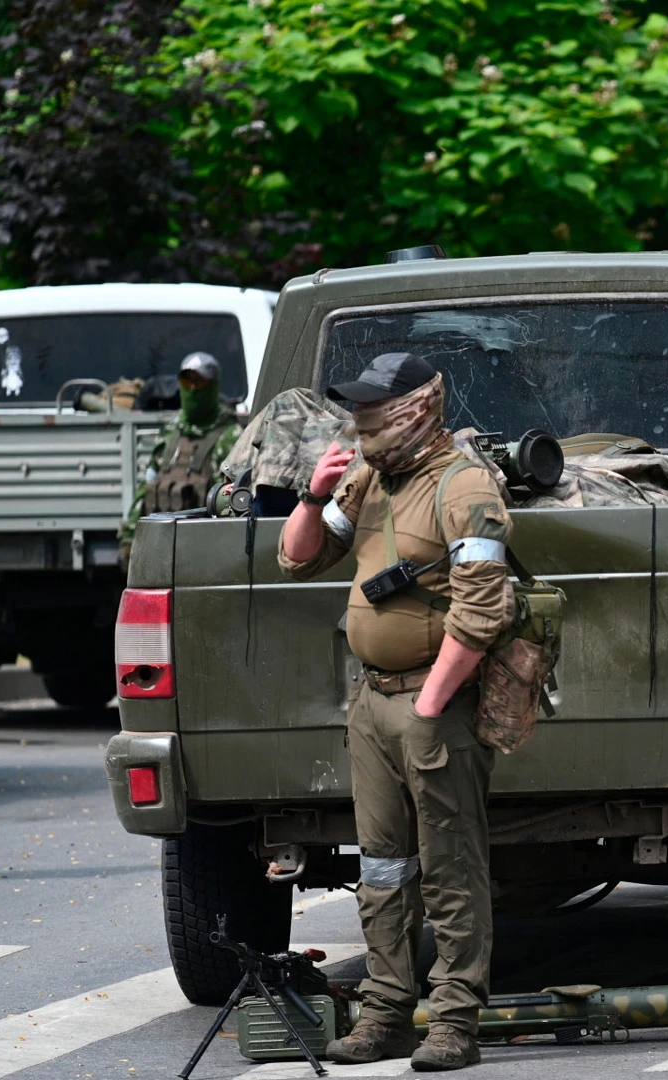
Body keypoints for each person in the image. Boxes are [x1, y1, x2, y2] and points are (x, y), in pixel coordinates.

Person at [279, 351, 515, 1071]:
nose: (364, 419)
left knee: (451, 866)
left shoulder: (462, 483)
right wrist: (314, 496)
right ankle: (385, 1014)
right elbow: (298, 560)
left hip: (430, 703)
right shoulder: (369, 478)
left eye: (377, 405)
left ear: (418, 405)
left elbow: (481, 611)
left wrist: (432, 703)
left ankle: (453, 1022)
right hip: (373, 701)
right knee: (382, 868)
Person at [121, 352, 241, 548]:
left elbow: (233, 505)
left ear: (213, 386)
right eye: (187, 383)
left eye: (199, 383)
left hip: (206, 547)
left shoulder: (230, 437)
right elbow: (146, 488)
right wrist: (128, 537)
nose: (193, 389)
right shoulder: (170, 434)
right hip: (162, 547)